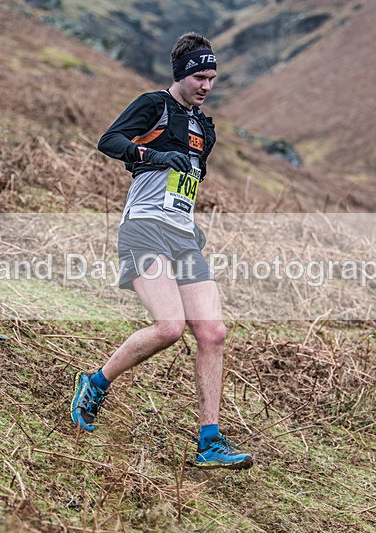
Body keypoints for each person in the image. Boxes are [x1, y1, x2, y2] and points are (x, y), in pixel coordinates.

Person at [70, 32, 253, 470]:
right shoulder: (154, 104)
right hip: (144, 231)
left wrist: (189, 218)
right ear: (182, 74)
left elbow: (185, 185)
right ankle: (95, 383)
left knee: (212, 333)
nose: (207, 86)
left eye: (212, 78)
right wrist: (150, 154)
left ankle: (209, 442)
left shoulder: (205, 128)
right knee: (170, 327)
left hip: (182, 235)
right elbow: (109, 141)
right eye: (199, 77)